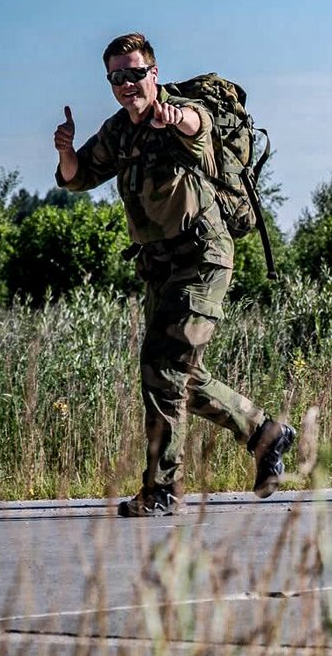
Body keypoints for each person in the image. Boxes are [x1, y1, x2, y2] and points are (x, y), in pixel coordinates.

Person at [53, 32, 295, 516]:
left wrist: (175, 118)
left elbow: (197, 126)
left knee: (161, 367)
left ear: (154, 73)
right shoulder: (119, 131)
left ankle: (162, 488)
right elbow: (79, 178)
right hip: (160, 268)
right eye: (117, 77)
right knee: (179, 375)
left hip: (202, 259)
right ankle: (265, 432)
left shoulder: (180, 112)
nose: (127, 84)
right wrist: (65, 152)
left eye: (136, 73)